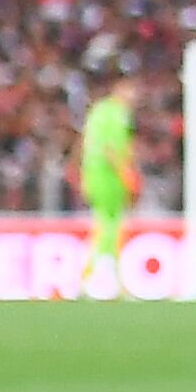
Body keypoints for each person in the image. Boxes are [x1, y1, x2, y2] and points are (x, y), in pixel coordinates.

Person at [80, 81, 142, 290]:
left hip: (92, 173)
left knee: (102, 223)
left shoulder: (98, 110)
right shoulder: (118, 113)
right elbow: (111, 149)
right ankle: (101, 276)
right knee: (111, 224)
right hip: (109, 175)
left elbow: (87, 143)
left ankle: (96, 275)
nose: (135, 96)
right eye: (132, 90)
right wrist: (127, 174)